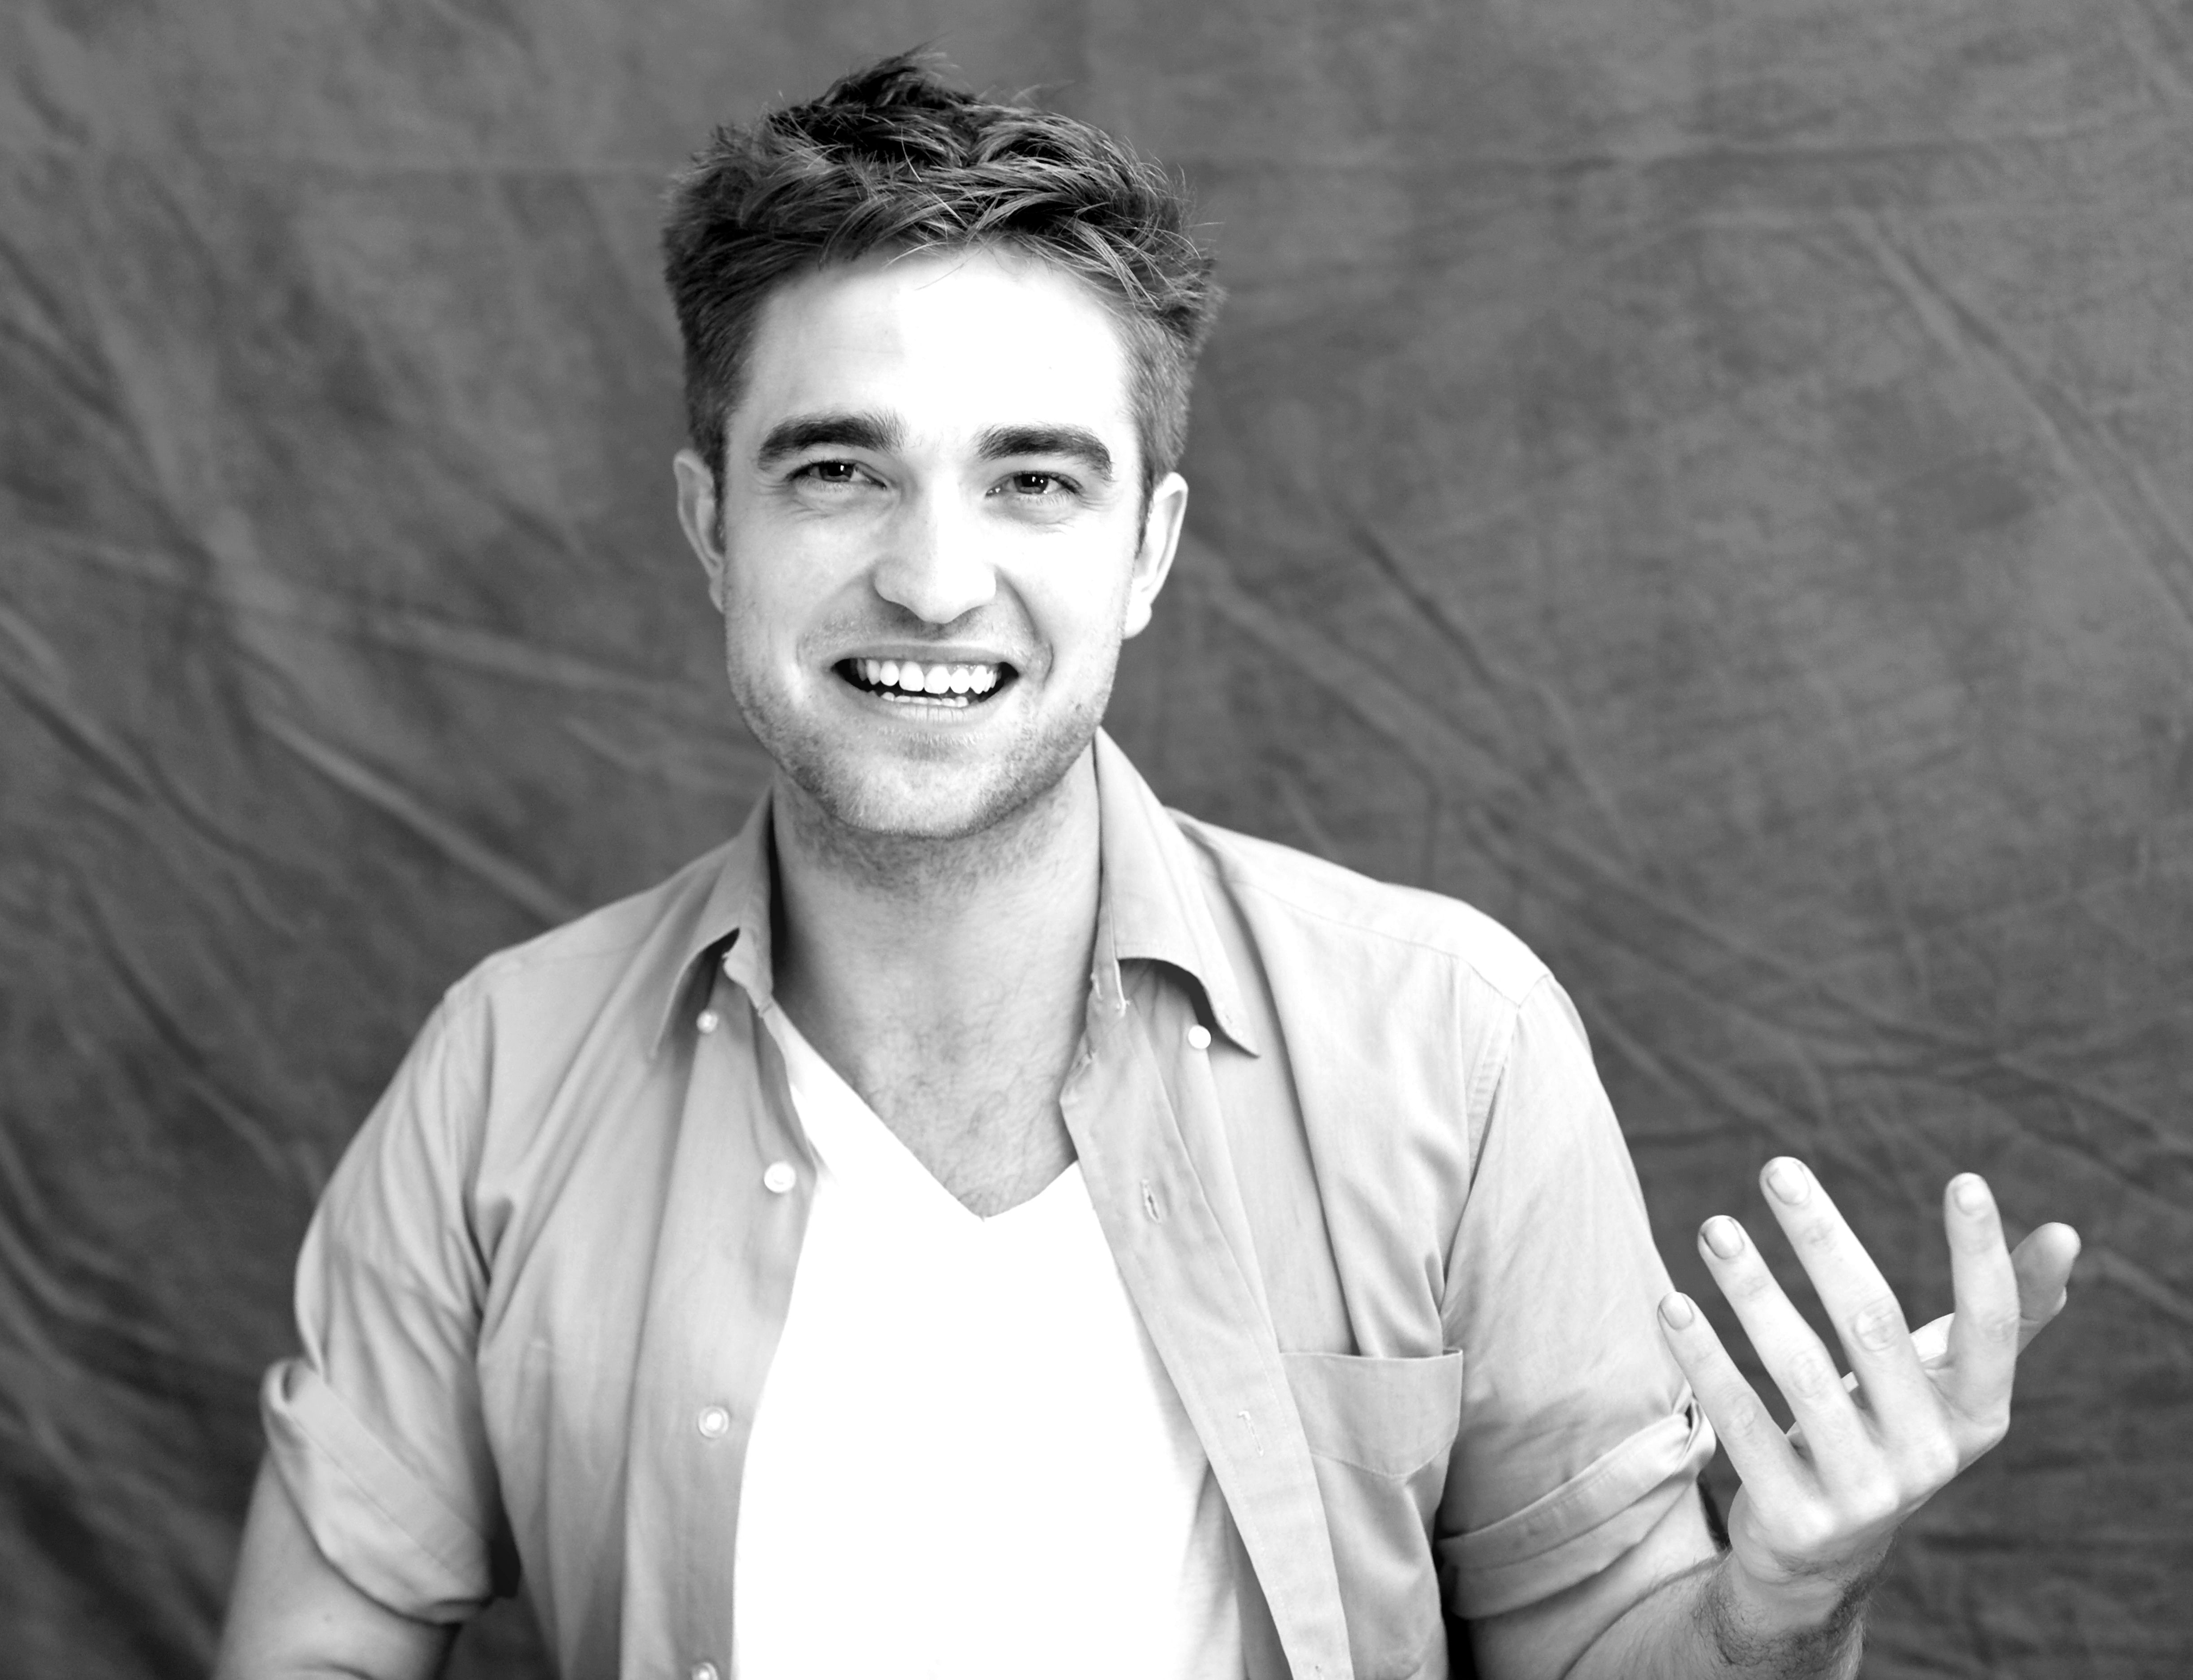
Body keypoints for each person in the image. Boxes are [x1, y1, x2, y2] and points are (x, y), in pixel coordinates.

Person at [213, 52, 2079, 1680]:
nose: (934, 578)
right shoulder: (502, 1072)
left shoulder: (1452, 1042)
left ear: (1150, 549)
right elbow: (317, 1640)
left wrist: (1782, 1605)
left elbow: (1603, 1653)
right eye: (839, 470)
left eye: (1035, 479)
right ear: (713, 525)